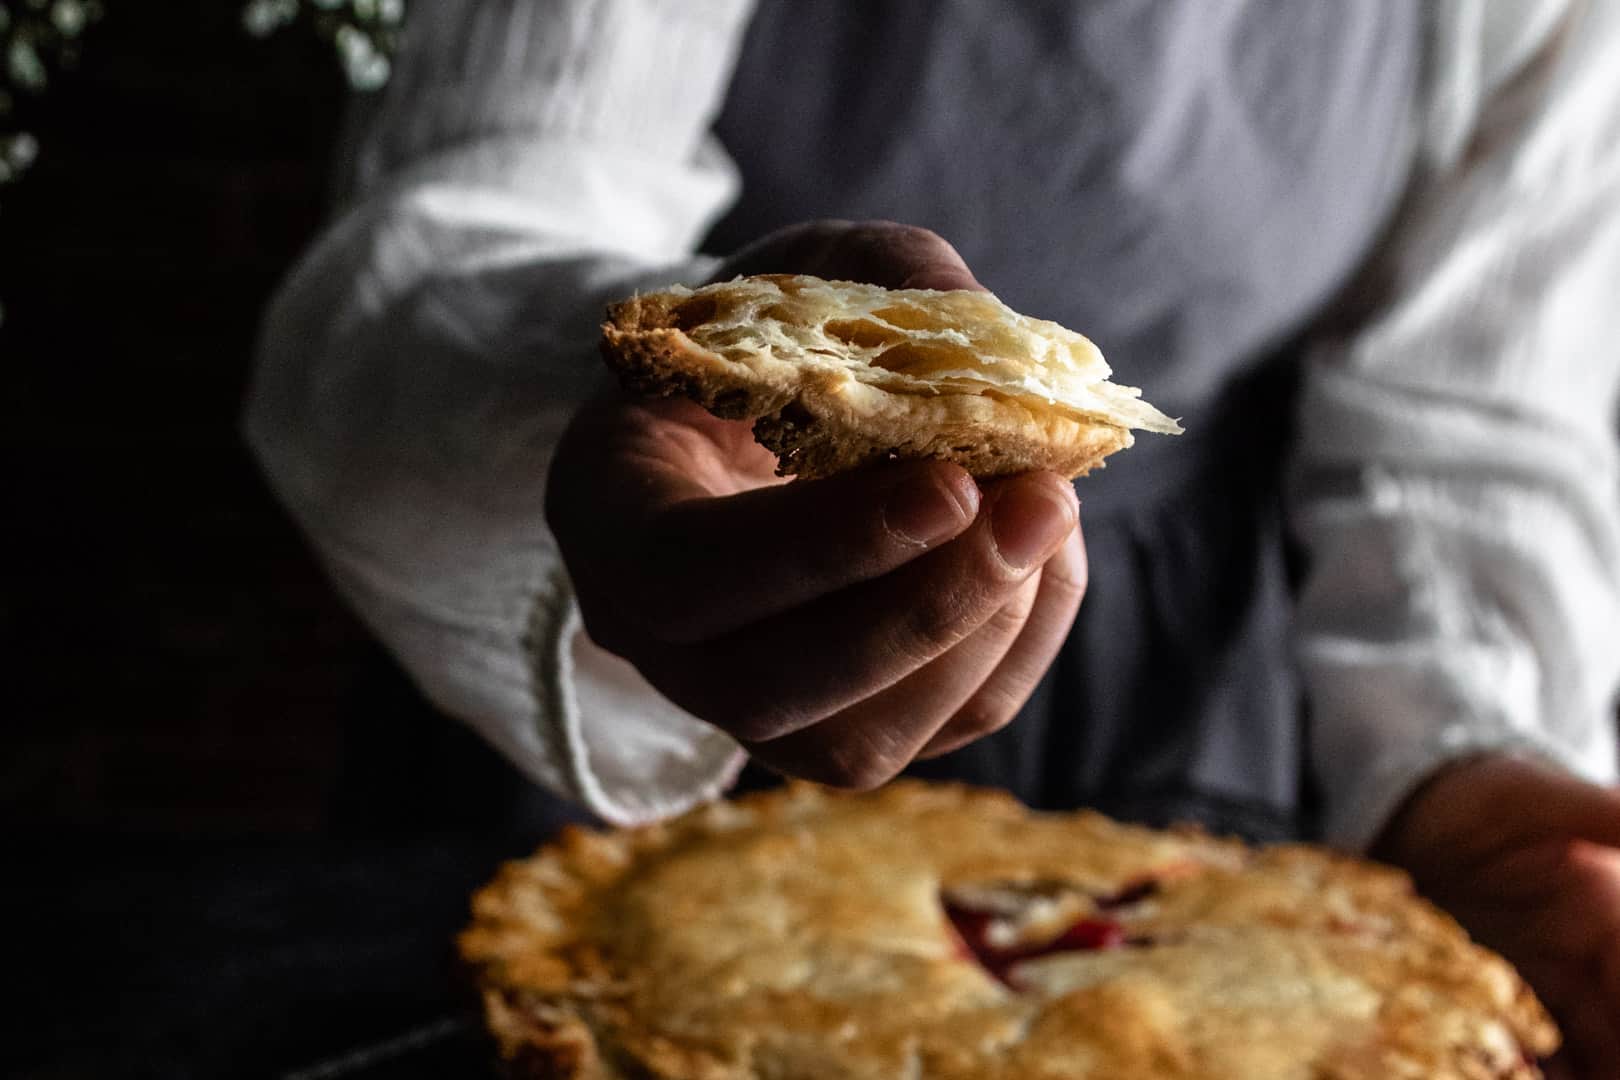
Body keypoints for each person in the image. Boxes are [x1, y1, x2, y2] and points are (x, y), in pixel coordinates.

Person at [245, 1, 1620, 1074]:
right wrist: (635, 398)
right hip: (631, 641)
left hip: (1188, 697)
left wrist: (1463, 767)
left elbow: (1467, 406)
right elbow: (468, 214)